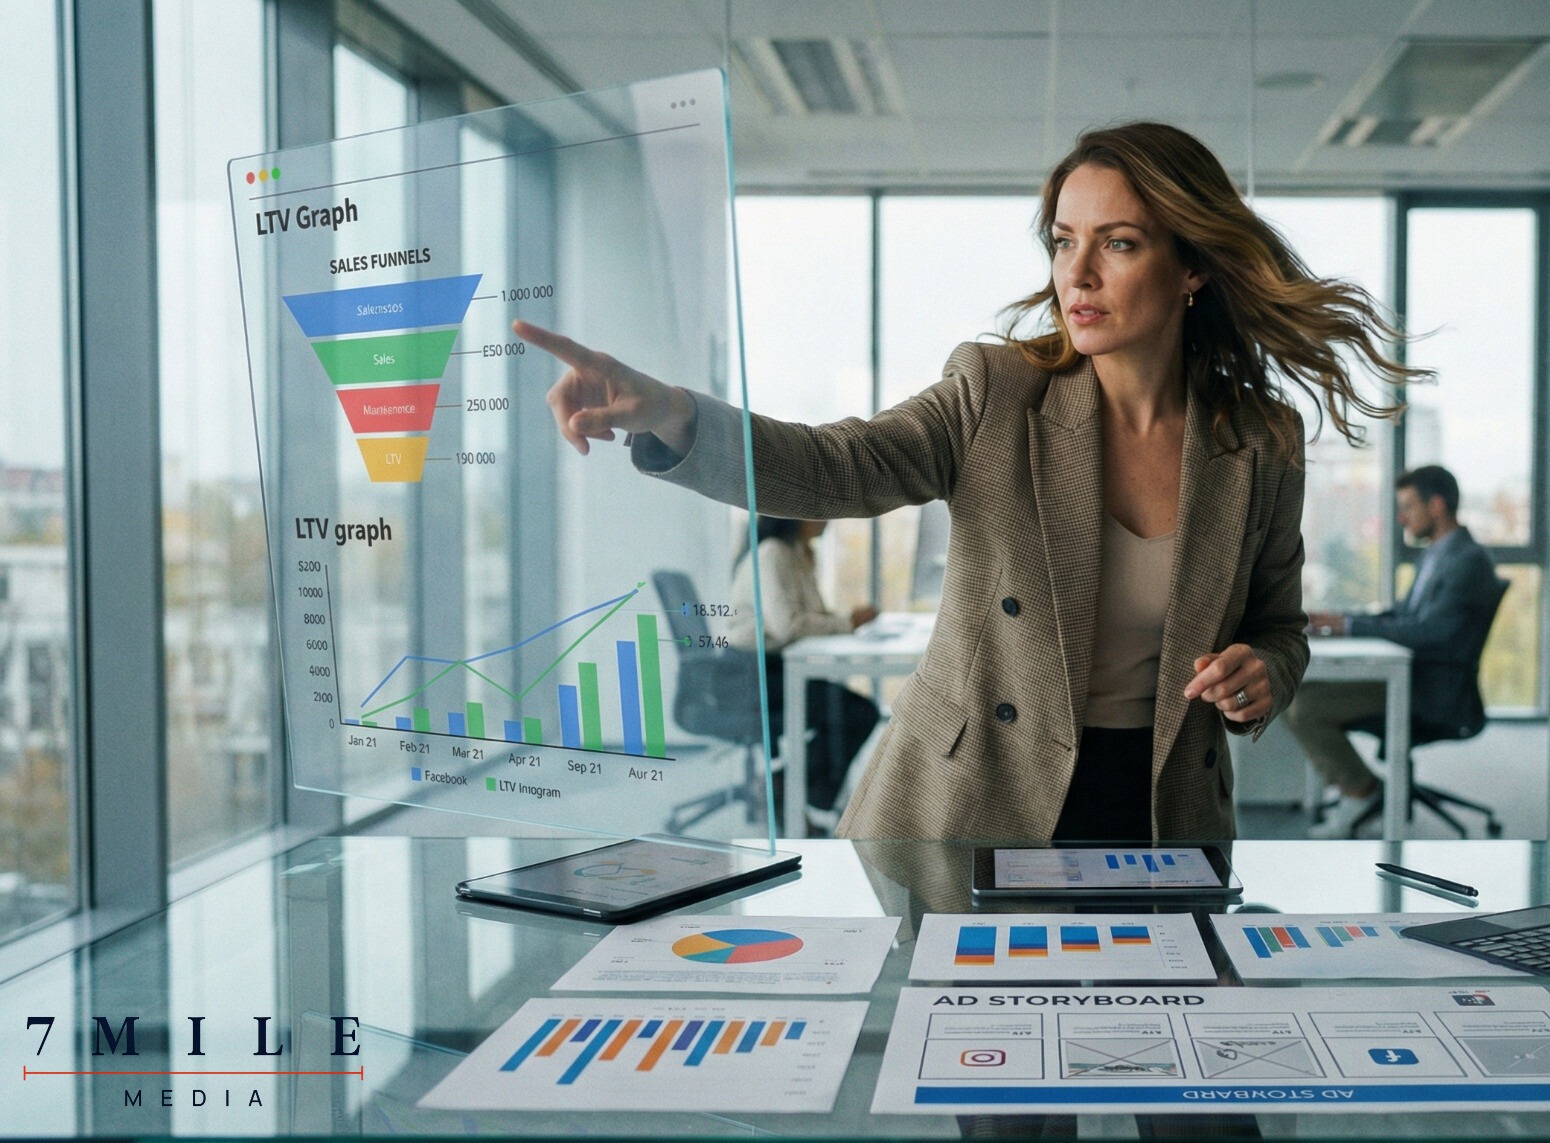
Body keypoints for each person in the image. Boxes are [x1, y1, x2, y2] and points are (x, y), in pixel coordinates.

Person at [519, 121, 1423, 844]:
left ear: (1191, 266)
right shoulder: (997, 392)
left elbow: (1279, 626)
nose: (1077, 273)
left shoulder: (1260, 439)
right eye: (1063, 241)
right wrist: (674, 413)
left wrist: (1265, 671)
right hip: (973, 798)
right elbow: (836, 464)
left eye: (1118, 243)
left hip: (1162, 808)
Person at [1293, 464, 1499, 838]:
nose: (1402, 518)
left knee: (1304, 707)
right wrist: (1341, 620)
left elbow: (1432, 633)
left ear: (1436, 506)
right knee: (1296, 693)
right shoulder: (1440, 553)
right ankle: (1362, 789)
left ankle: (1363, 791)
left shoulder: (1467, 561)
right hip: (1416, 676)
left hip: (1433, 691)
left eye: (1408, 507)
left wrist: (1348, 627)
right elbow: (1403, 616)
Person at [722, 516, 881, 825]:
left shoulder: (797, 552)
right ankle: (788, 789)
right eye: (819, 511)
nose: (828, 519)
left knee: (850, 709)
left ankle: (785, 787)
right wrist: (846, 623)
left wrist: (845, 620)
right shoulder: (772, 552)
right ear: (794, 515)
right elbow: (787, 626)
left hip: (775, 666)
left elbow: (812, 614)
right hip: (748, 674)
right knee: (855, 712)